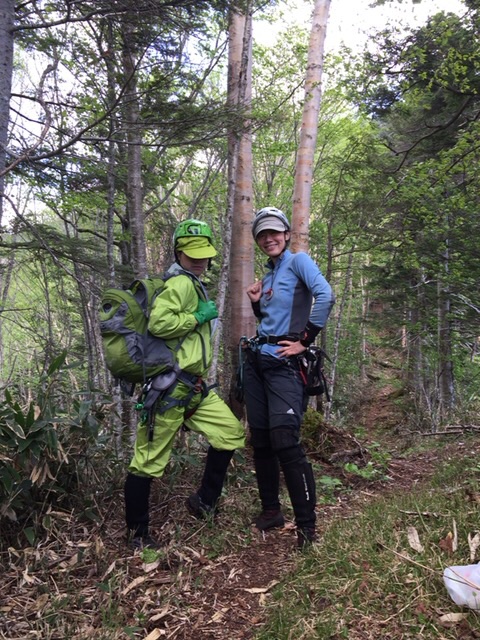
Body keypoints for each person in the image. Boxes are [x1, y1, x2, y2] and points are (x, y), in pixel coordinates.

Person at [124, 219, 245, 549]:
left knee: (229, 432)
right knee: (146, 462)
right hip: (170, 388)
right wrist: (198, 317)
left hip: (194, 388)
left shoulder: (193, 283)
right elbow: (160, 322)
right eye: (192, 255)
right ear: (178, 253)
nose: (200, 260)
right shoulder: (179, 284)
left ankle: (205, 501)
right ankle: (137, 536)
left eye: (204, 254)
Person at [244, 207, 334, 549]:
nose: (269, 239)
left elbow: (325, 295)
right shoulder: (267, 276)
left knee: (285, 440)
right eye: (262, 235)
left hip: (285, 366)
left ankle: (307, 529)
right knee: (263, 440)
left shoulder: (299, 261)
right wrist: (255, 304)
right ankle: (271, 511)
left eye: (274, 232)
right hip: (258, 363)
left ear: (286, 234)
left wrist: (304, 341)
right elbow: (270, 321)